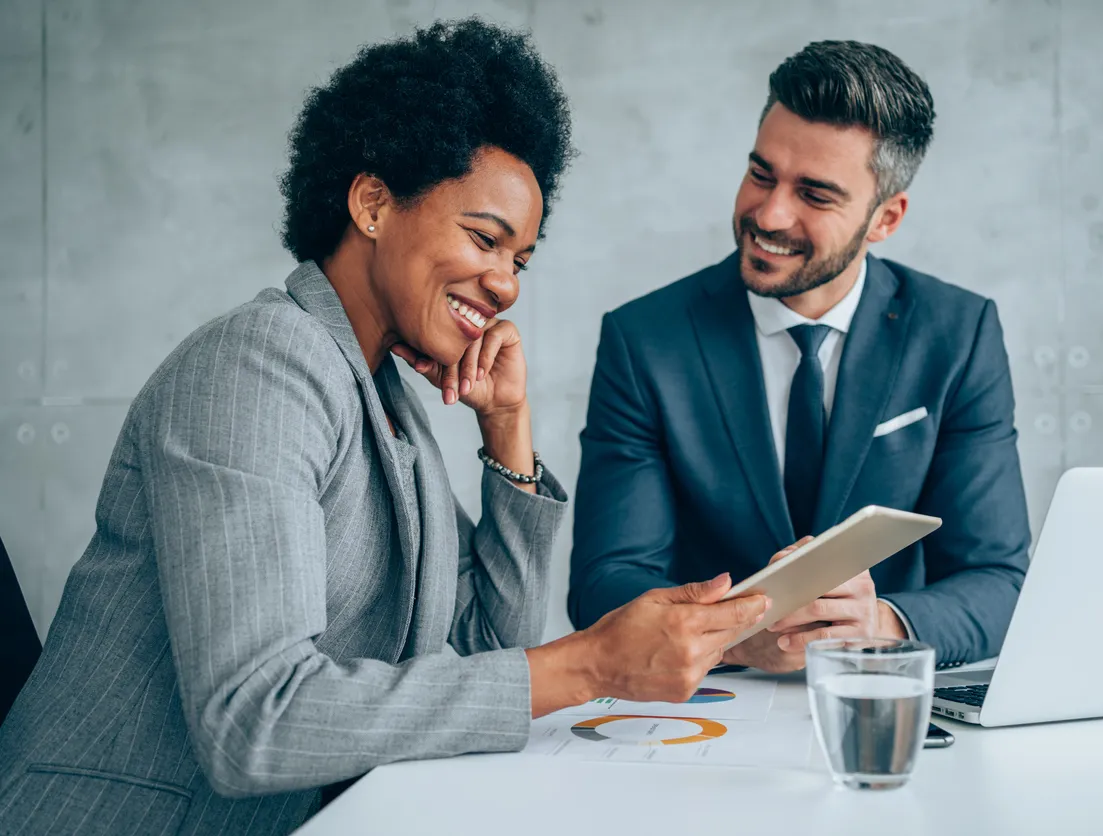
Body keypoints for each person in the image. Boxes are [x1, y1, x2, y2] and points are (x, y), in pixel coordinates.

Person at [0, 20, 766, 836]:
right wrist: (592, 663)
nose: (506, 284)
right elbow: (253, 721)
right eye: (485, 239)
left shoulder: (388, 402)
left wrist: (506, 435)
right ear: (372, 203)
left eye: (522, 260)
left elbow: (483, 654)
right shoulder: (258, 365)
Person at [568, 40, 1031, 672]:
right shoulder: (645, 340)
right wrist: (736, 635)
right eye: (761, 173)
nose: (769, 212)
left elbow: (999, 579)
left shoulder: (960, 332)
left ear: (884, 219)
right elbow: (606, 581)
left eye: (814, 195)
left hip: (879, 701)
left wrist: (880, 623)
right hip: (704, 713)